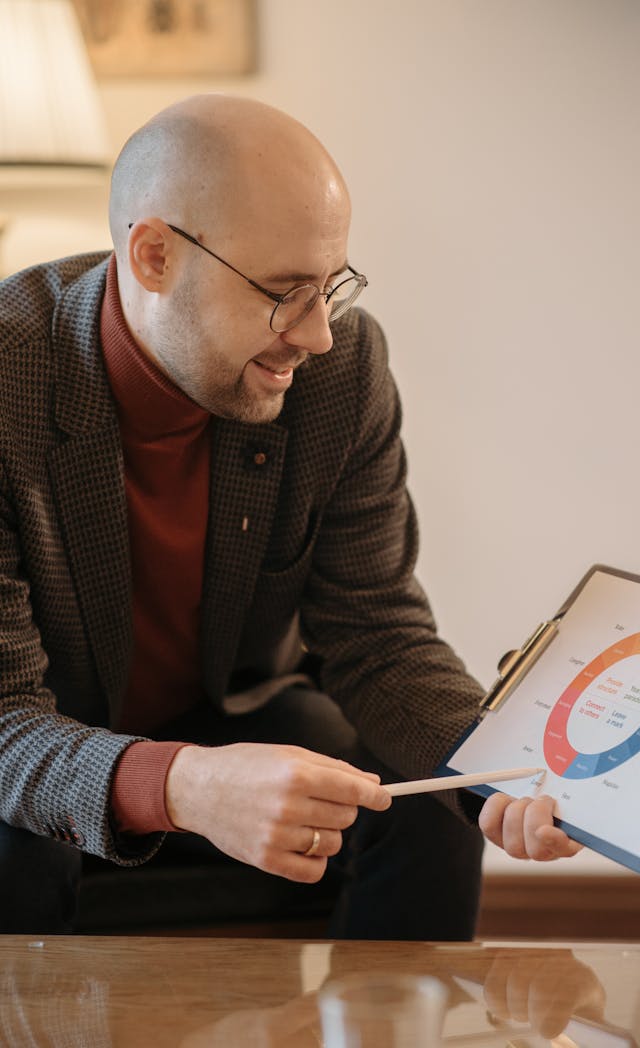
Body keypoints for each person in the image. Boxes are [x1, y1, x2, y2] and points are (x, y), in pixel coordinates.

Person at [0, 94, 579, 937]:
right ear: (155, 255)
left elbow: (377, 634)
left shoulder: (341, 374)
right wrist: (181, 785)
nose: (318, 337)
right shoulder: (10, 381)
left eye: (331, 286)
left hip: (223, 711)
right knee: (22, 840)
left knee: (413, 791)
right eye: (282, 292)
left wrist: (499, 770)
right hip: (35, 733)